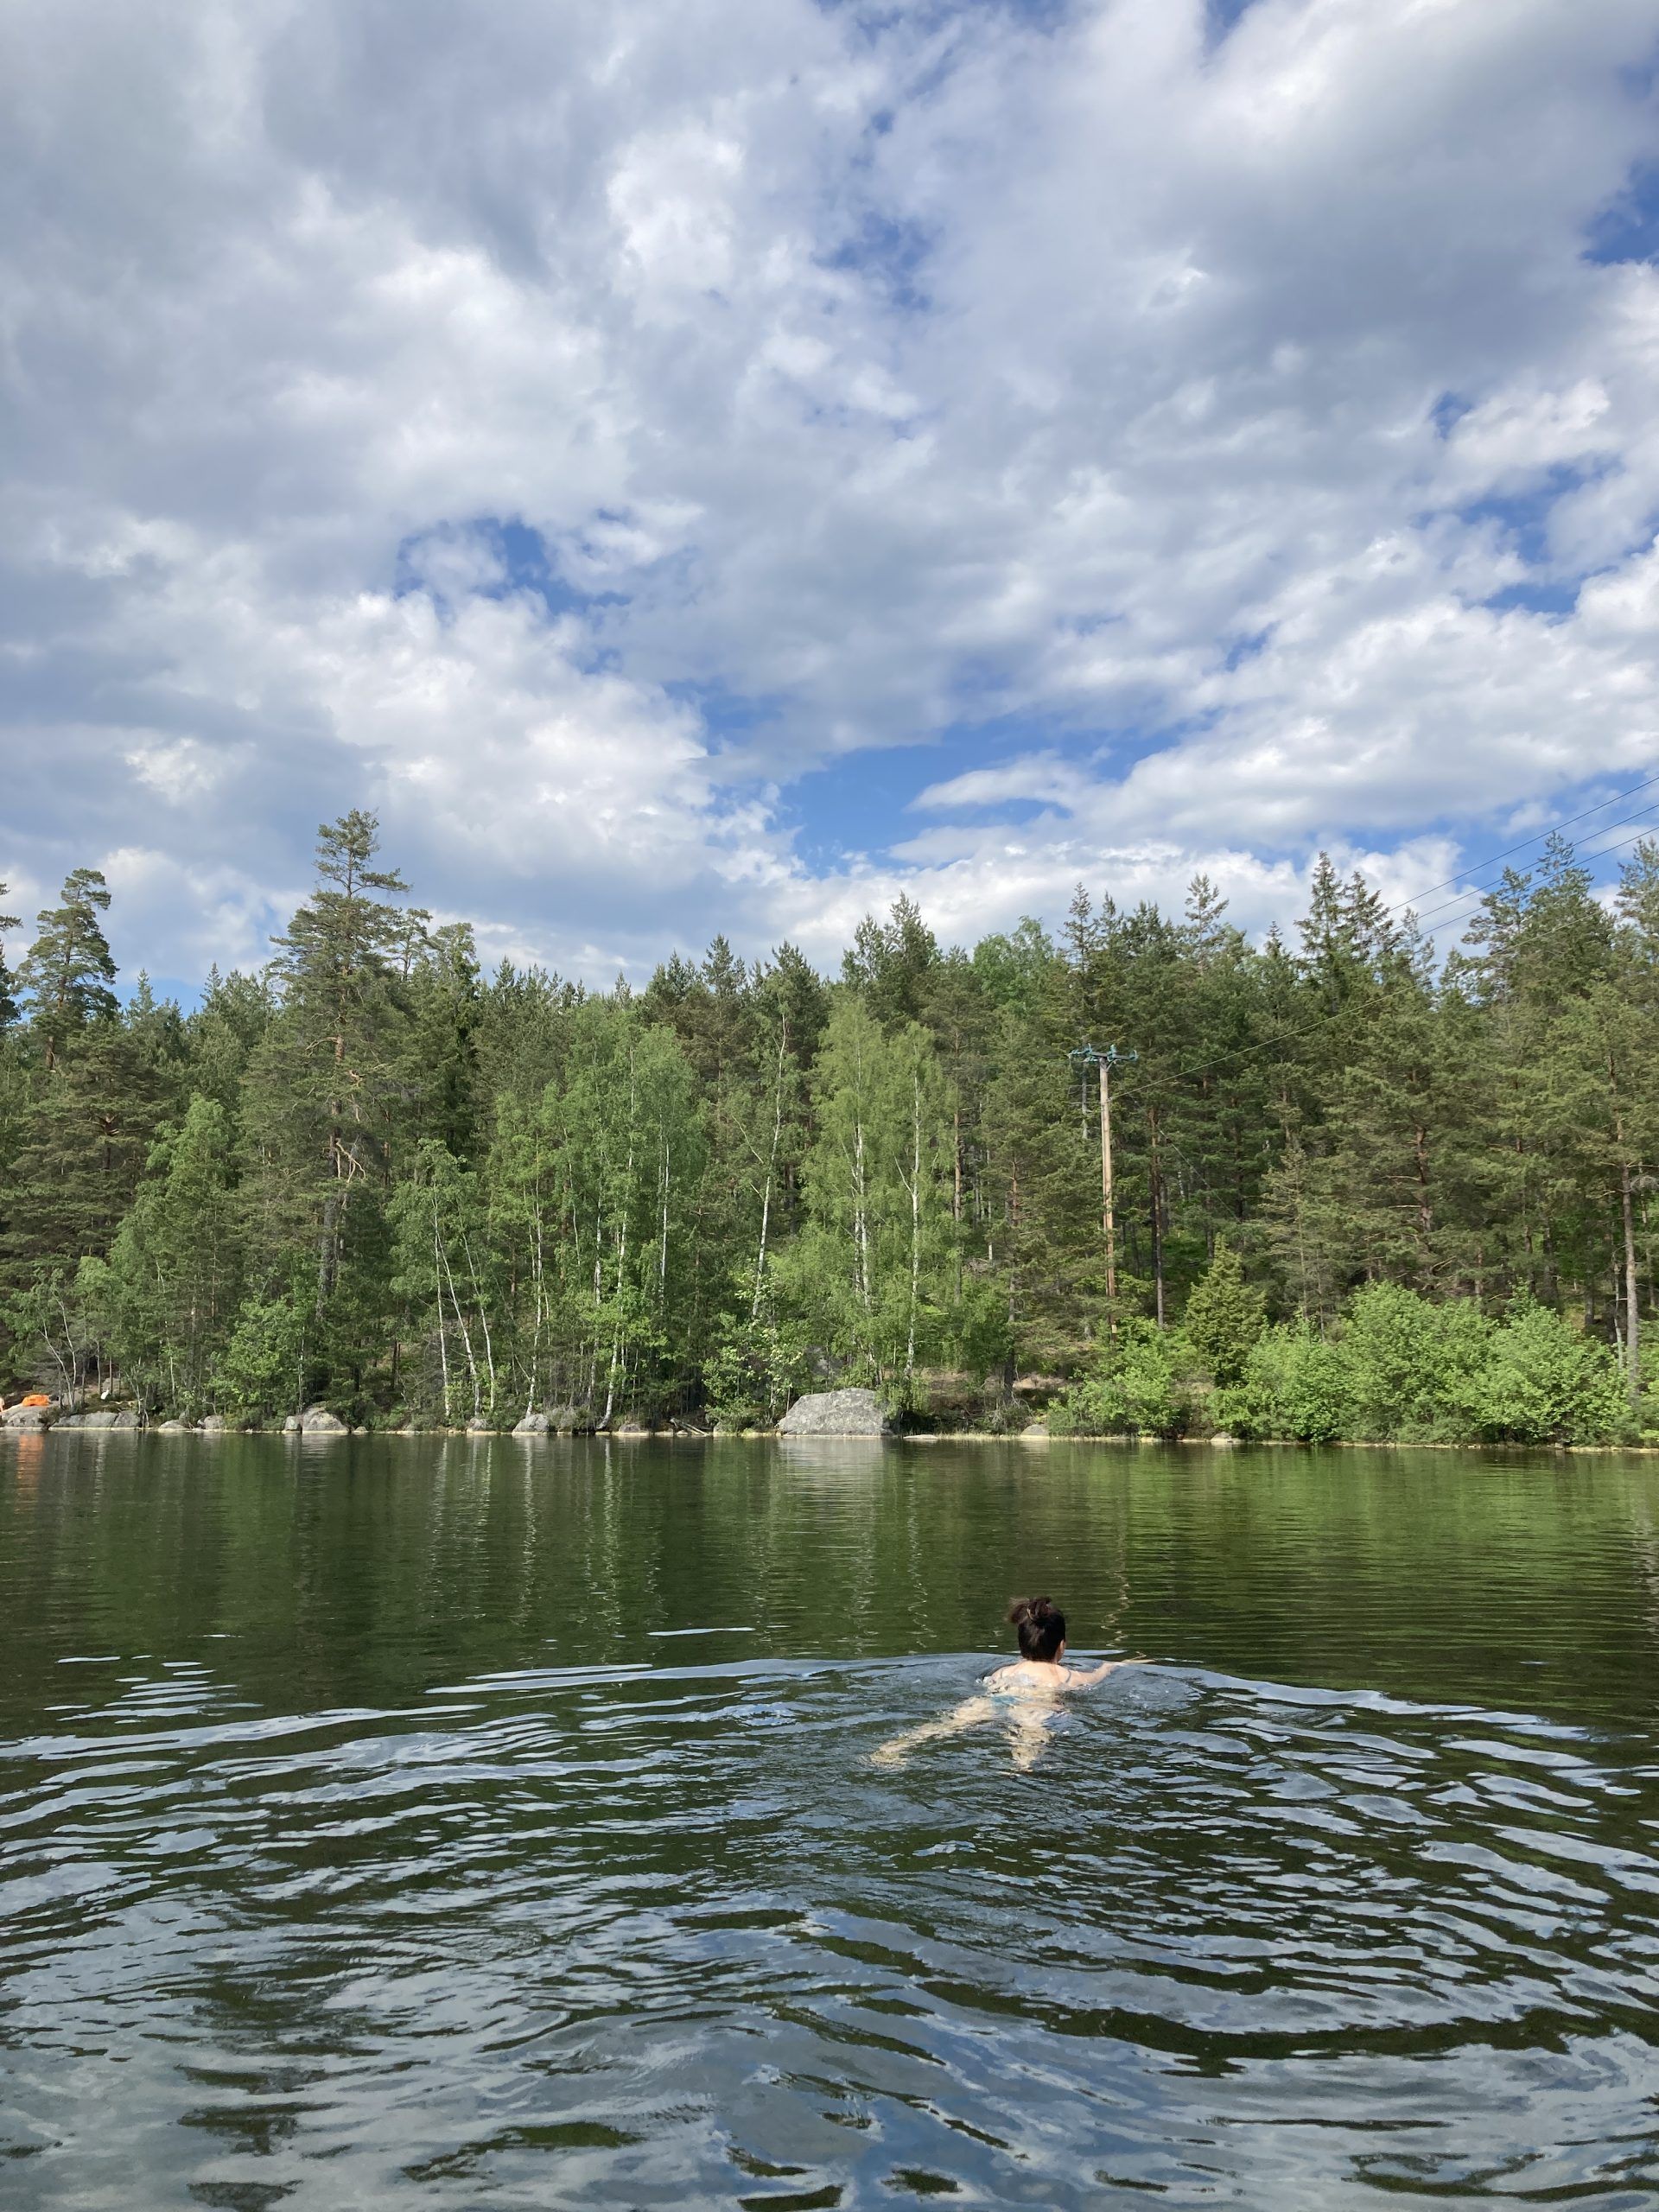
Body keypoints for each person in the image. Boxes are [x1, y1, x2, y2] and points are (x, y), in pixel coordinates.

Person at [871, 1596, 1144, 1772]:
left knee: (946, 1724)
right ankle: (1019, 1767)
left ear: (1021, 1643)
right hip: (1039, 1701)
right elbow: (1100, 1674)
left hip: (1000, 1696)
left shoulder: (1006, 1670)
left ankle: (894, 1749)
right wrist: (1117, 1665)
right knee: (1030, 1734)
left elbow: (990, 1684)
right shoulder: (1068, 1677)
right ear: (1062, 1646)